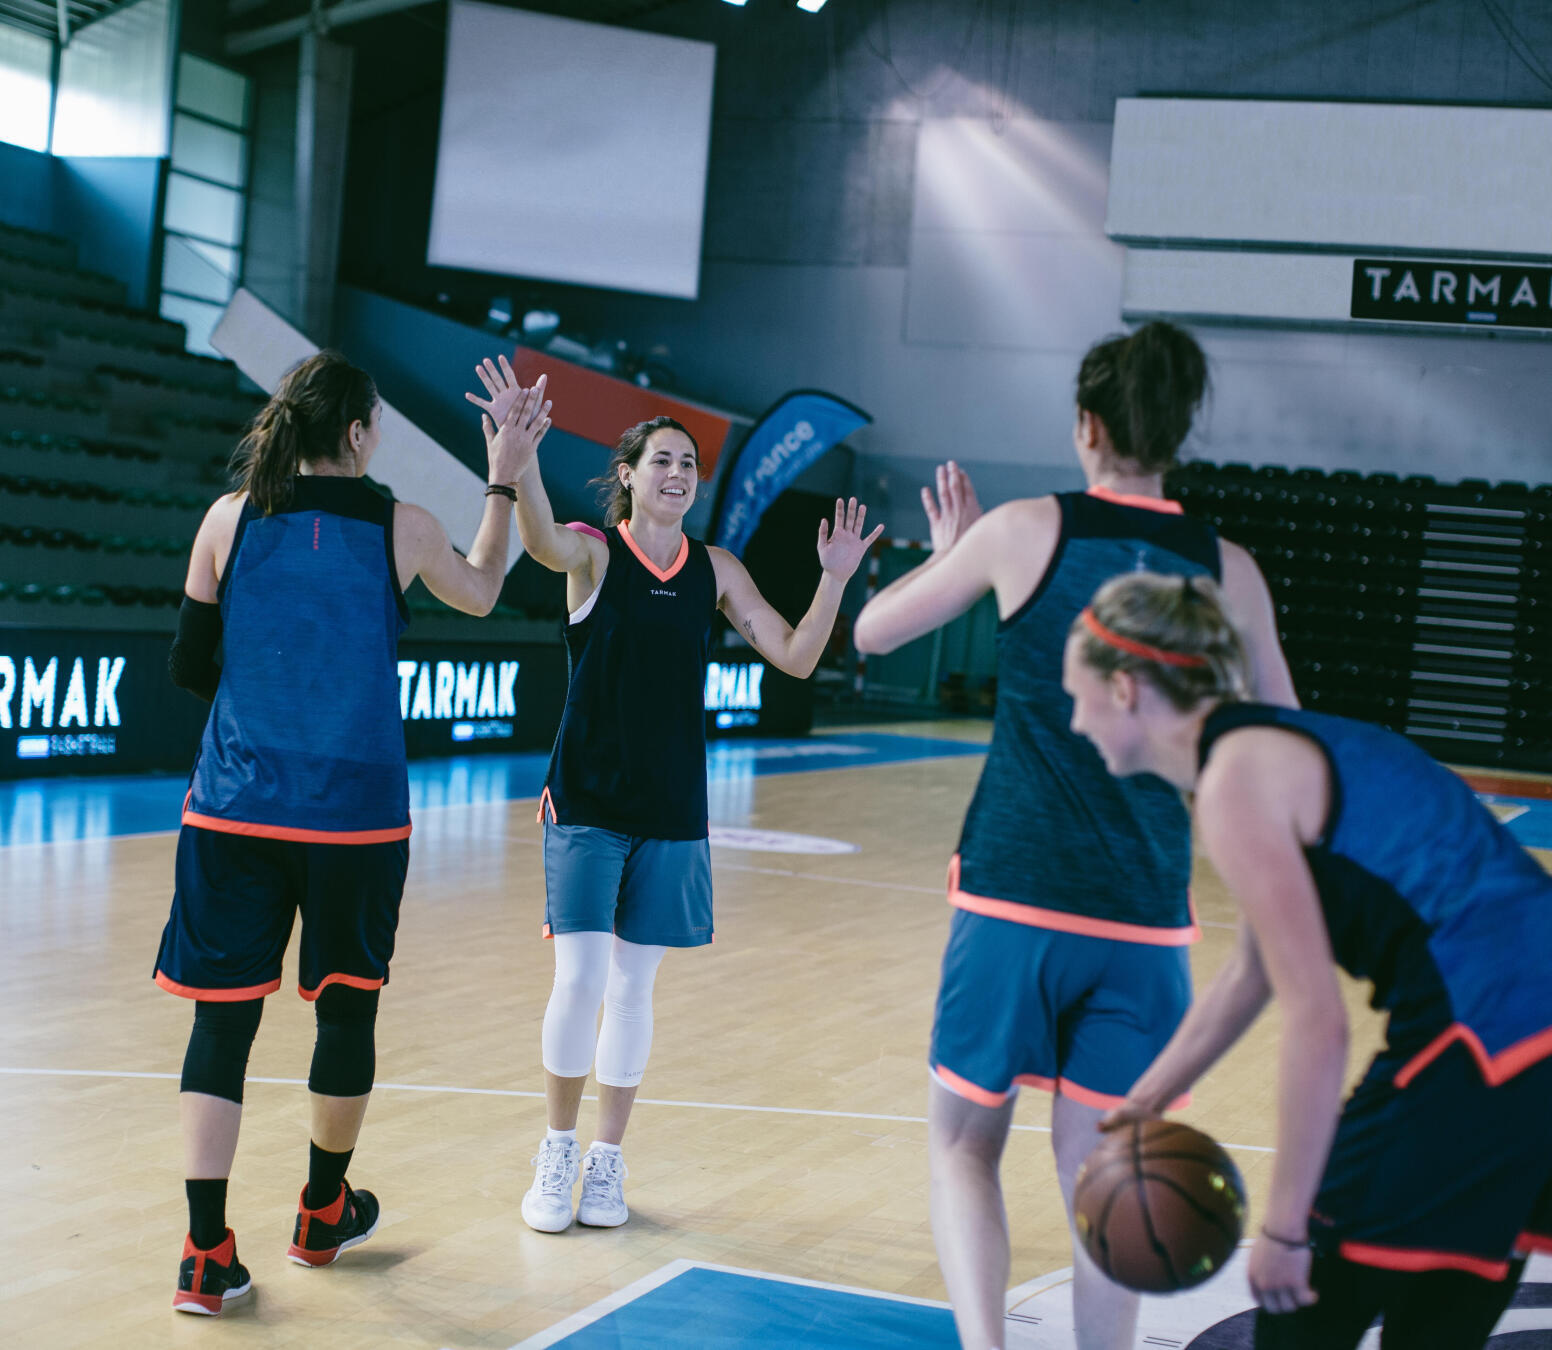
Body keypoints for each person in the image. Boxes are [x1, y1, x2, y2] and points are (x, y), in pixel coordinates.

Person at [852, 322, 1296, 1350]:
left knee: (963, 1147)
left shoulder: (1023, 530)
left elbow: (873, 630)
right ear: (1177, 434)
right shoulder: (1228, 569)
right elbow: (1286, 743)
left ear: (1087, 426)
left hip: (1012, 897)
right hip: (1146, 916)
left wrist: (961, 550)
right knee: (1113, 1176)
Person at [156, 350, 551, 1315]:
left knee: (222, 1023)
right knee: (346, 1012)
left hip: (234, 810)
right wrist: (501, 476)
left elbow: (188, 665)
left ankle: (205, 1255)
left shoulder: (228, 518)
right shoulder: (402, 527)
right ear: (362, 434)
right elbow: (488, 586)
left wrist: (269, 707)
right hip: (356, 821)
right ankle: (322, 1212)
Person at [1069, 571, 1552, 1350]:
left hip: (1484, 1032)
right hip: (1529, 1034)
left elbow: (1319, 1023)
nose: (1075, 719)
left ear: (1125, 689)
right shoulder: (1278, 742)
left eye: (1077, 694)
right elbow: (1252, 970)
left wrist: (1290, 1227)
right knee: (1442, 1314)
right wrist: (1148, 1096)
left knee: (1302, 1319)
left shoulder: (1234, 781)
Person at [464, 355, 883, 1234]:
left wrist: (835, 578)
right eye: (662, 460)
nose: (678, 473)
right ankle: (558, 1152)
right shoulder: (591, 550)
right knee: (578, 979)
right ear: (627, 477)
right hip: (584, 800)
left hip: (671, 809)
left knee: (633, 989)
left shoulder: (717, 569)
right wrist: (520, 455)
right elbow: (538, 542)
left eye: (689, 463)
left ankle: (609, 1164)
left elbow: (796, 656)